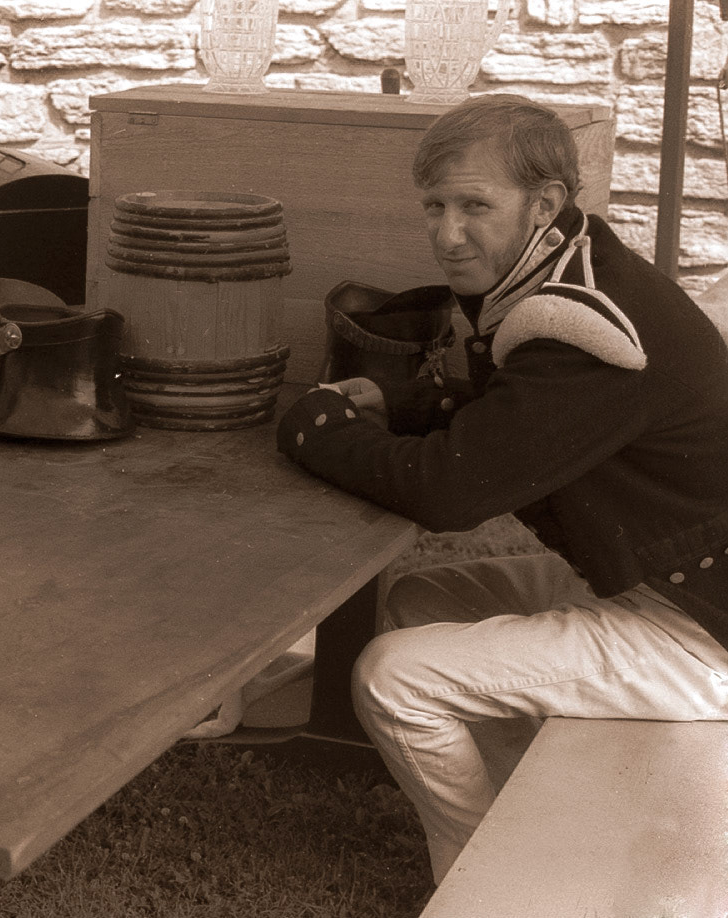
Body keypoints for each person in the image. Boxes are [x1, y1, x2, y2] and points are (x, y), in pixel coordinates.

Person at [275, 93, 728, 884]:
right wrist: (401, 404)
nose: (447, 235)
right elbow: (528, 417)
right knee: (418, 600)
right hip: (653, 575)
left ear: (543, 203)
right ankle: (527, 829)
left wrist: (315, 426)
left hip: (699, 629)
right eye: (434, 206)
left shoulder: (588, 327)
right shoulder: (573, 267)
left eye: (474, 206)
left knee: (392, 677)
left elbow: (450, 493)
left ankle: (492, 885)